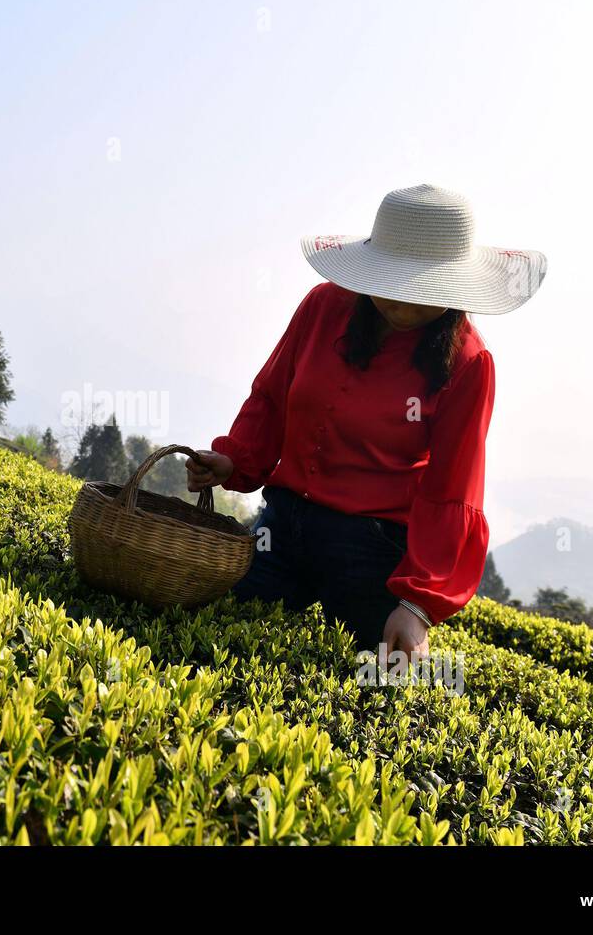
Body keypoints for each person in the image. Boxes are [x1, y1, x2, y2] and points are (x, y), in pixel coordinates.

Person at [186, 184, 547, 659]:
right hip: (282, 523)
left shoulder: (468, 363)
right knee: (208, 638)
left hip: (371, 547)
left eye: (423, 292)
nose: (401, 305)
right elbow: (272, 398)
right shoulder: (323, 307)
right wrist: (235, 459)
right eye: (391, 287)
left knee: (376, 680)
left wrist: (417, 603)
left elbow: (454, 488)